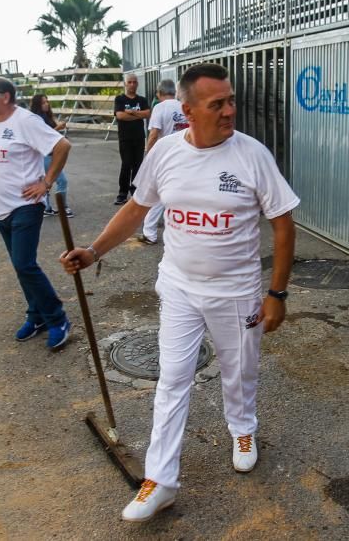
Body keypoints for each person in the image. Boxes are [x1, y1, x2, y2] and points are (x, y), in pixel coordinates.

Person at [60, 63, 299, 523]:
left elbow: (283, 223)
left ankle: (242, 429)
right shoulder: (167, 152)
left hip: (237, 292)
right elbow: (137, 208)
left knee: (239, 369)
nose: (230, 110)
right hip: (179, 288)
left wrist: (277, 293)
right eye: (218, 104)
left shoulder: (252, 156)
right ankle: (161, 480)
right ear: (187, 111)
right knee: (171, 380)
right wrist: (93, 250)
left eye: (231, 100)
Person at [0, 76, 73, 346]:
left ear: (5, 96)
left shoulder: (26, 121)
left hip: (25, 207)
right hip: (2, 210)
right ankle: (37, 315)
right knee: (21, 268)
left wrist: (46, 183)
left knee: (25, 264)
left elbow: (62, 146)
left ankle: (57, 318)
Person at [136, 78, 188, 245]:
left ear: (159, 94)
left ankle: (149, 233)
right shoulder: (184, 106)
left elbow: (153, 134)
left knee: (157, 194)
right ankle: (184, 230)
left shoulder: (159, 108)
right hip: (186, 154)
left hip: (166, 157)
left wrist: (148, 155)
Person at [29, 94, 74, 218]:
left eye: (47, 102)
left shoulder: (45, 117)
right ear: (38, 104)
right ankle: (62, 207)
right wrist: (58, 127)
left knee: (47, 181)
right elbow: (45, 136)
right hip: (46, 154)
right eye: (43, 102)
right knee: (62, 181)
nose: (46, 104)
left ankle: (47, 207)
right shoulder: (37, 119)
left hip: (49, 153)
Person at [113, 74, 150, 205]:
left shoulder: (142, 100)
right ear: (125, 84)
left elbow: (147, 114)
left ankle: (135, 191)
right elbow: (120, 116)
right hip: (125, 138)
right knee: (126, 164)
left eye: (134, 82)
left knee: (138, 165)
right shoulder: (120, 99)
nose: (132, 84)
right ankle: (122, 193)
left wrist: (131, 112)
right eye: (130, 82)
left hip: (139, 137)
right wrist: (138, 115)